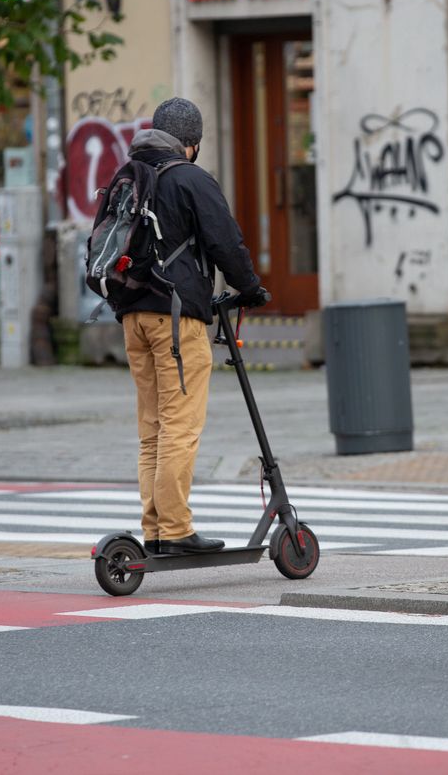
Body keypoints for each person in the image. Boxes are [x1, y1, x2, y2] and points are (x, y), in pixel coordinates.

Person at [120, 97, 267, 555]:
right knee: (181, 426)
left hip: (133, 315)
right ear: (192, 143)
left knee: (153, 428)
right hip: (176, 318)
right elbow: (226, 241)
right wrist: (251, 289)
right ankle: (177, 529)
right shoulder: (189, 178)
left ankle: (156, 529)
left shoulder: (128, 176)